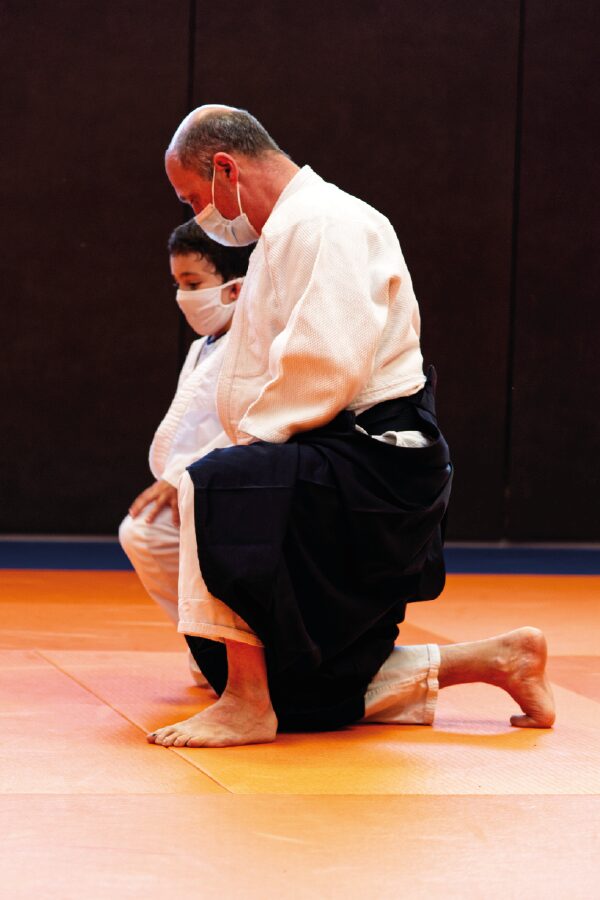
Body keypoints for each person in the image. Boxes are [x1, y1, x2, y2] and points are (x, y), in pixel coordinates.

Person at [147, 105, 555, 748]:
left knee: (219, 484)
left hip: (380, 459)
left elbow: (323, 363)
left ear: (226, 168)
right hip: (346, 449)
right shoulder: (292, 227)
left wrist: (243, 450)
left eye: (195, 198)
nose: (203, 218)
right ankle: (497, 658)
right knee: (307, 686)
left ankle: (246, 700)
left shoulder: (327, 222)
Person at [119, 220, 254, 681]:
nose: (183, 297)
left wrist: (187, 477)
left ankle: (228, 649)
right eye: (177, 284)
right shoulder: (203, 348)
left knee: (150, 535)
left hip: (238, 485)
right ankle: (210, 644)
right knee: (143, 531)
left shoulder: (258, 343)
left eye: (193, 284)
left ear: (236, 288)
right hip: (198, 487)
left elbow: (253, 423)